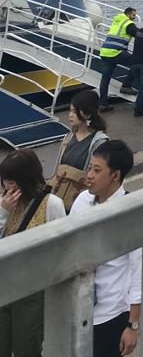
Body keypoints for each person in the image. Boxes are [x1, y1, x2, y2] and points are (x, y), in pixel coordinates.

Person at [70, 141, 141, 357]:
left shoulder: (131, 213)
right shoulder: (82, 201)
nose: (89, 175)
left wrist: (132, 326)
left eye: (97, 170)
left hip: (111, 315)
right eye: (89, 168)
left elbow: (138, 272)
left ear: (115, 175)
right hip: (78, 308)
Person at [0, 151, 66, 357]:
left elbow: (61, 246)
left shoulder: (52, 204)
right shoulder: (3, 203)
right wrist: (3, 212)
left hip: (32, 288)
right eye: (5, 181)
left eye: (12, 181)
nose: (8, 187)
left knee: (26, 345)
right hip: (3, 282)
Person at [48, 89, 109, 211]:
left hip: (80, 200)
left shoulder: (99, 142)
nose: (70, 115)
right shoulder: (69, 137)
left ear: (87, 114)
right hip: (58, 196)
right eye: (70, 110)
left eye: (75, 112)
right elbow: (57, 169)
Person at [98, 7, 138, 112]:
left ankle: (103, 104)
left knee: (105, 79)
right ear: (129, 14)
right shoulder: (128, 23)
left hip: (105, 52)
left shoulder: (117, 21)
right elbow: (140, 35)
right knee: (137, 63)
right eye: (134, 15)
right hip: (116, 51)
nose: (134, 18)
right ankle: (126, 86)